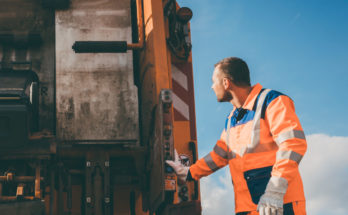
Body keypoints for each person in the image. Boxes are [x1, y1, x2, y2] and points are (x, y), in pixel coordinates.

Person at [166, 57, 307, 215]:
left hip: (279, 204)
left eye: (214, 82)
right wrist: (189, 172)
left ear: (226, 83)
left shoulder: (272, 101)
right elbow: (219, 155)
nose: (212, 87)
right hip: (247, 209)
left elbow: (293, 144)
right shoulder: (232, 119)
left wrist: (275, 190)